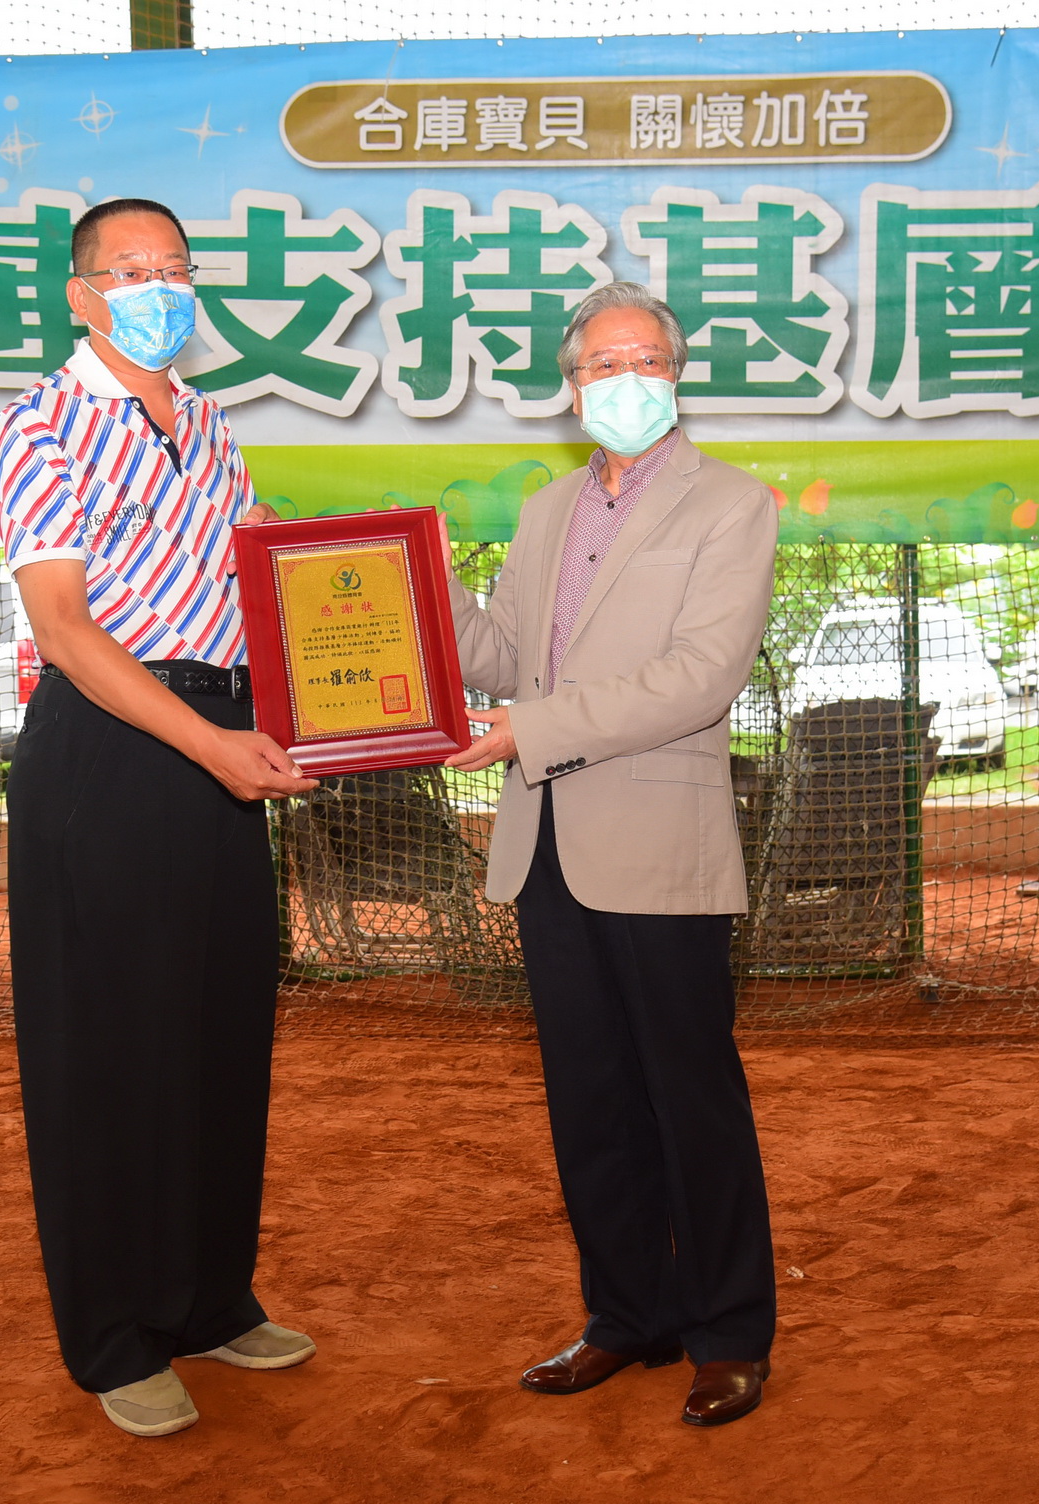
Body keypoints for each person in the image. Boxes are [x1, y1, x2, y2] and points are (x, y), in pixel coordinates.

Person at [0, 196, 318, 1440]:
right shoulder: (41, 425)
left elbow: (263, 566)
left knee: (221, 1030)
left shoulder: (213, 422)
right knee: (109, 1052)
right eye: (128, 270)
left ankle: (209, 1298)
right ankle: (115, 1334)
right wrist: (211, 748)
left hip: (222, 740)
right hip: (114, 755)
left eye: (174, 268)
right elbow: (66, 629)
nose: (155, 287)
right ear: (80, 294)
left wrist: (362, 636)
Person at [443, 282, 782, 1427]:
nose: (624, 381)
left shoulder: (732, 503)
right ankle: (626, 1314)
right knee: (589, 1098)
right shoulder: (545, 511)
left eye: (646, 359)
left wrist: (529, 732)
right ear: (570, 383)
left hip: (657, 839)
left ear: (677, 374)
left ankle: (729, 1331)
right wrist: (411, 587)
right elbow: (504, 653)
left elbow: (702, 676)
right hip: (544, 844)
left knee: (691, 1095)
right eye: (601, 364)